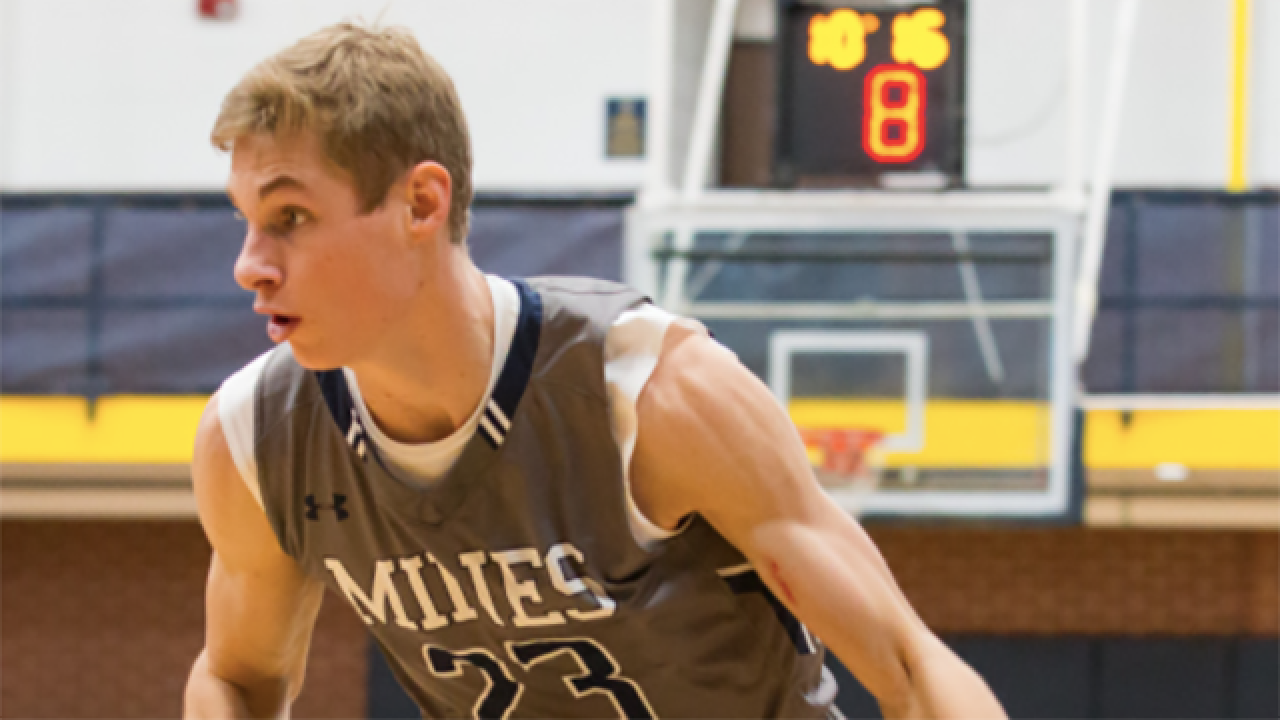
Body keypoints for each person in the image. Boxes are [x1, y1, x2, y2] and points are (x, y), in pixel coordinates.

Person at [183, 21, 1008, 720]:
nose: (250, 264)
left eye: (291, 216)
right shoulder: (256, 439)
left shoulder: (651, 393)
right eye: (246, 221)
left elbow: (910, 669)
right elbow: (236, 677)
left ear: (421, 204)